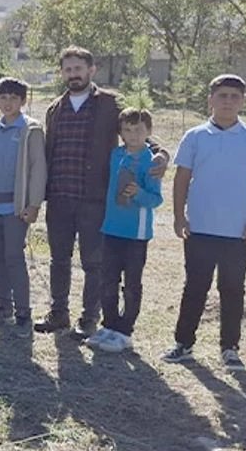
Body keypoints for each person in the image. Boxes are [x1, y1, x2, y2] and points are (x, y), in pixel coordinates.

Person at [36, 46, 167, 338]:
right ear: (62, 73)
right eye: (68, 69)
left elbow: (138, 130)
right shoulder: (55, 108)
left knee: (93, 262)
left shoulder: (109, 103)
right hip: (59, 196)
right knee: (59, 258)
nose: (73, 74)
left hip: (95, 198)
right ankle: (59, 313)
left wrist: (160, 153)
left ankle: (89, 318)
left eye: (78, 68)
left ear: (91, 70)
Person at [162, 75, 246, 371]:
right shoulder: (195, 136)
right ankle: (183, 343)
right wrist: (178, 216)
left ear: (242, 101)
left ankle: (230, 348)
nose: (228, 101)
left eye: (235, 96)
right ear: (210, 99)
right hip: (199, 228)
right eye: (222, 95)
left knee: (233, 288)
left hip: (238, 231)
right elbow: (182, 178)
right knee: (195, 286)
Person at [85, 108, 163, 353]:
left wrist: (138, 193)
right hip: (111, 228)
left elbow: (155, 199)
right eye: (127, 130)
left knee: (131, 284)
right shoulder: (116, 154)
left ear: (148, 132)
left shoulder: (151, 161)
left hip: (136, 233)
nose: (133, 135)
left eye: (139, 130)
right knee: (107, 279)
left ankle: (125, 331)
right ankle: (109, 325)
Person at [0, 77, 46, 332]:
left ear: (23, 101)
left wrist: (34, 203)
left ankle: (24, 313)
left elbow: (38, 169)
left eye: (14, 98)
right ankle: (3, 308)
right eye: (3, 98)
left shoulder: (31, 130)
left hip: (16, 208)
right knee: (0, 256)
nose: (8, 103)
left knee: (14, 257)